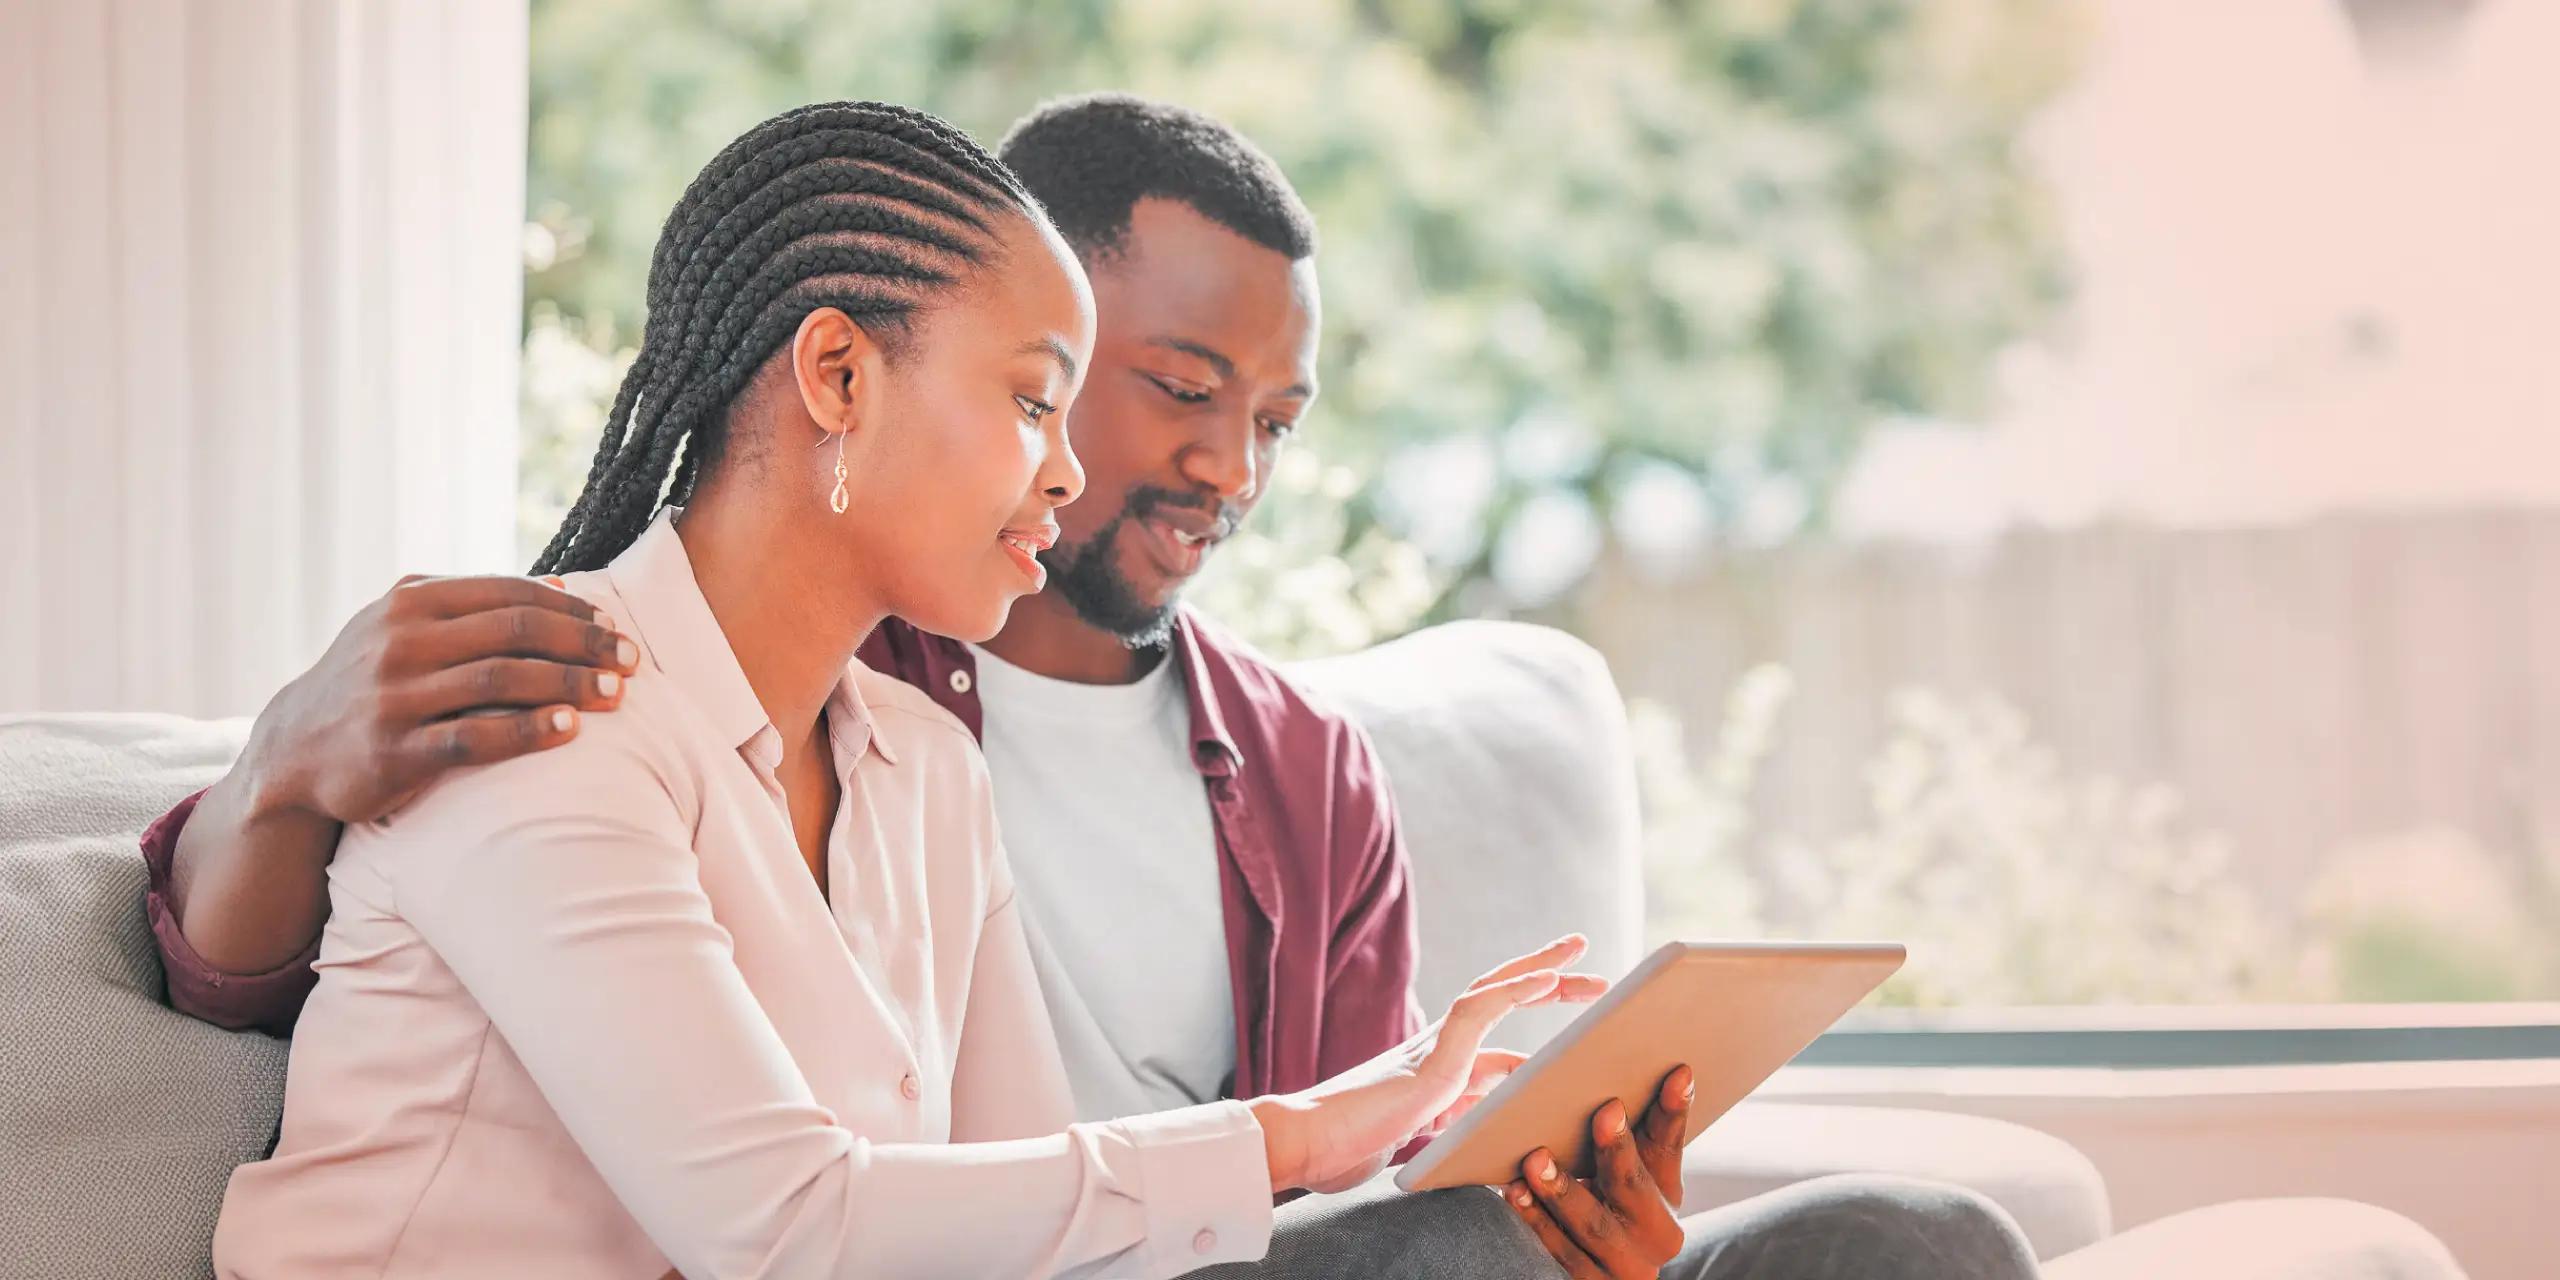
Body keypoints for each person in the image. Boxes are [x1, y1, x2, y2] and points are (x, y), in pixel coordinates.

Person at [165, 95, 2039, 1279]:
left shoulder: (910, 758)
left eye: (1275, 421)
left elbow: (1019, 1201)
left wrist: (1446, 1174)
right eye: (1045, 399)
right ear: (836, 379)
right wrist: (1325, 1141)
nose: (1084, 471)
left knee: (1903, 1242)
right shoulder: (549, 707)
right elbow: (792, 1228)